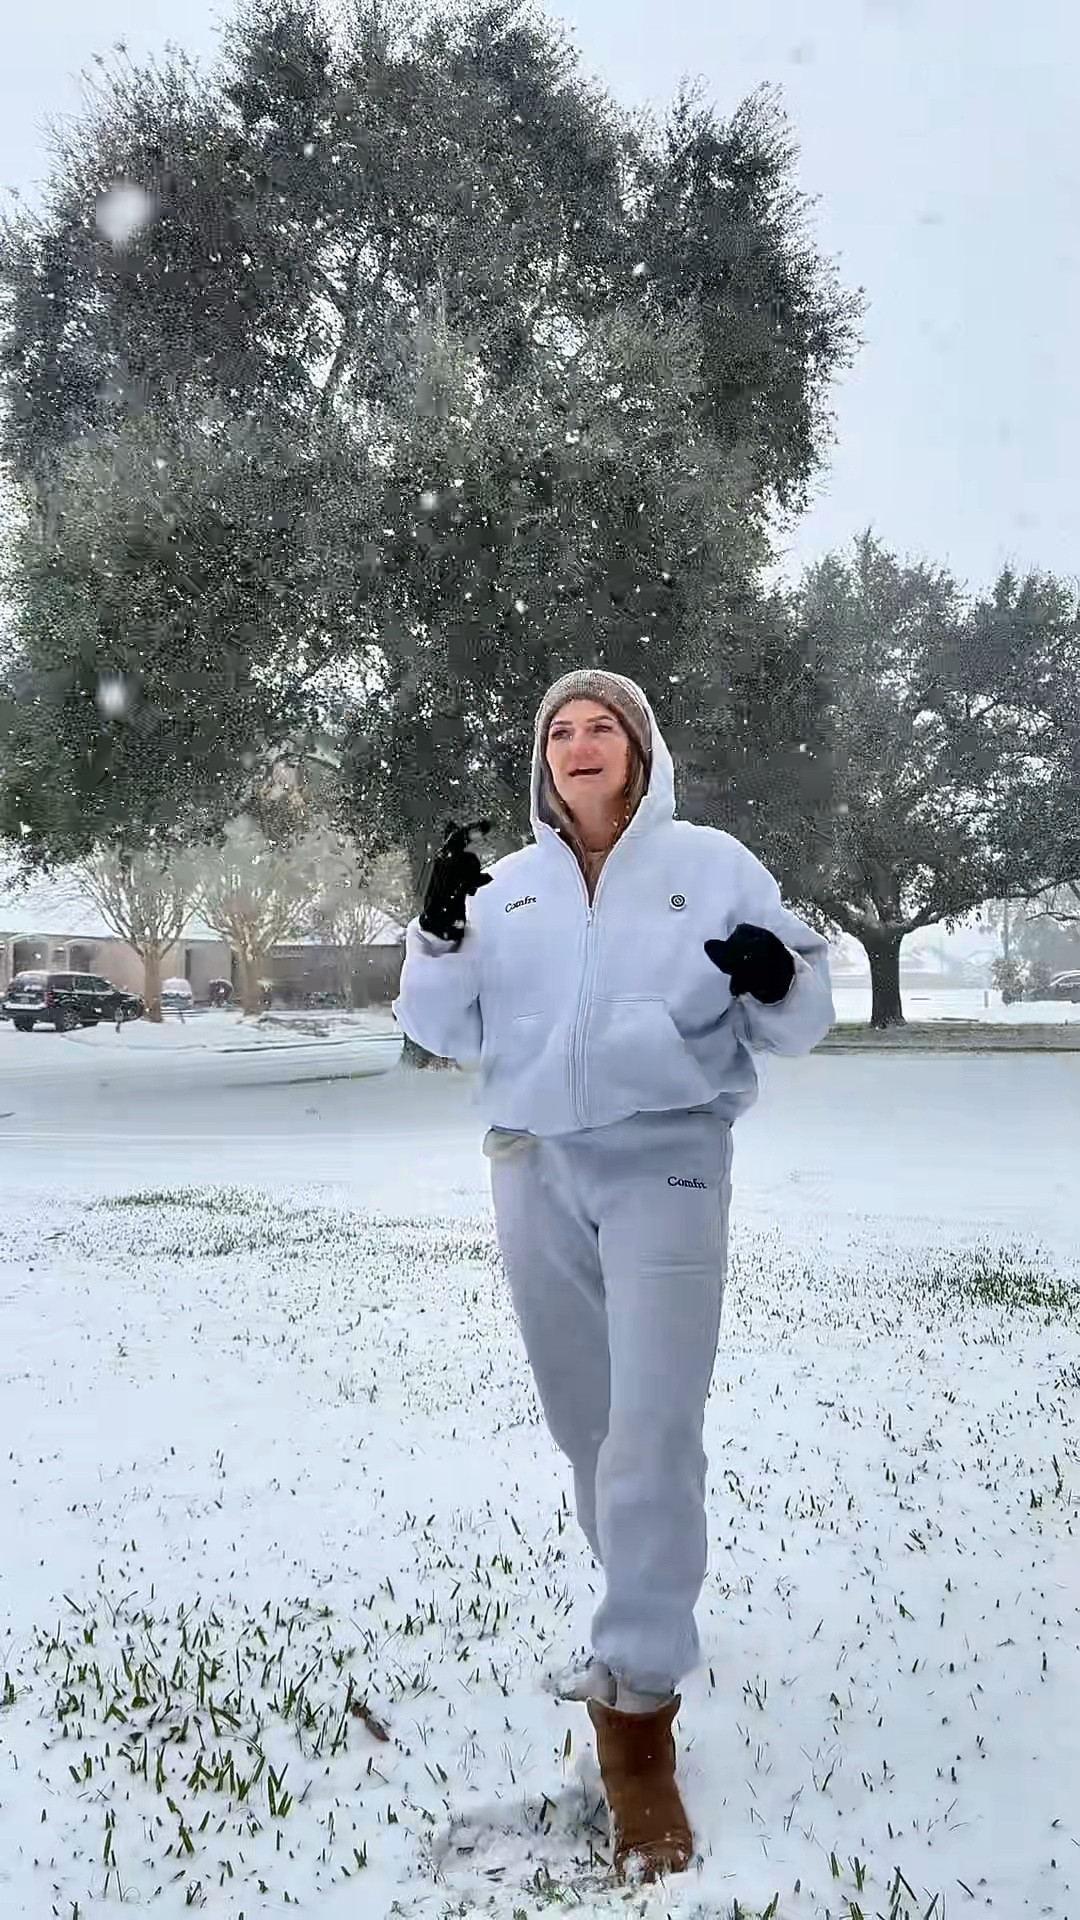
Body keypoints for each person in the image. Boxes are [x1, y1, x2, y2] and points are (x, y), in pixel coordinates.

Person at [394, 669, 833, 1882]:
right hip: (534, 1166)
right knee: (586, 1426)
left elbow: (799, 1017)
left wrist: (774, 972)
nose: (580, 745)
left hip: (668, 1162)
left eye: (603, 729)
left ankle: (637, 1714)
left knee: (650, 1428)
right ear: (545, 763)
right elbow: (445, 1028)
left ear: (640, 753)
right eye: (560, 732)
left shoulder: (714, 861)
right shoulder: (513, 890)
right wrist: (436, 936)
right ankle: (646, 1597)